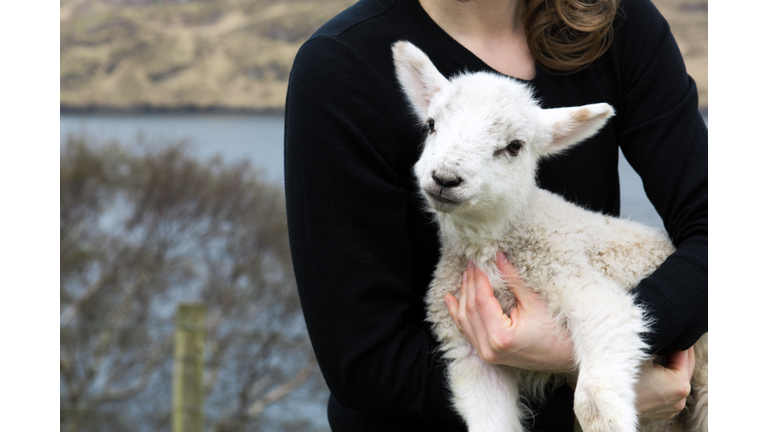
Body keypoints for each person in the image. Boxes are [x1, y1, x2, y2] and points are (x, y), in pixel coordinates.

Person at [283, 0, 707, 430]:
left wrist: (600, 351)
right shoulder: (340, 64)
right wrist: (582, 401)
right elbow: (363, 363)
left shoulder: (614, 20)